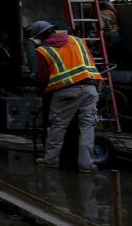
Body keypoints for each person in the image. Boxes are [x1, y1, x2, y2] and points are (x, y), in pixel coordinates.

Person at [28, 20, 102, 173]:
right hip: (90, 88)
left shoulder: (43, 50)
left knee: (58, 127)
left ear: (40, 37)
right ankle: (86, 164)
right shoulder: (77, 40)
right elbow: (91, 61)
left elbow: (43, 77)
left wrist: (42, 88)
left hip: (66, 92)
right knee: (87, 127)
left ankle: (51, 160)